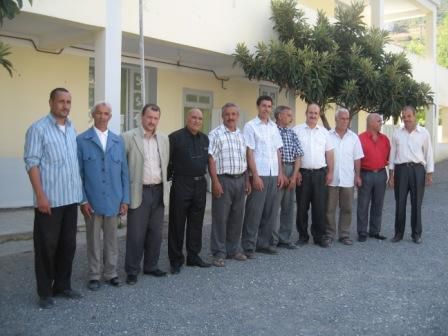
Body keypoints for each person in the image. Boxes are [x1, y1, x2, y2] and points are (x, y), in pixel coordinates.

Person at [24, 87, 83, 309]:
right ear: (51, 102)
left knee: (68, 245)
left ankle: (63, 285)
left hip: (70, 199)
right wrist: (40, 196)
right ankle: (45, 292)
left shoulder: (71, 128)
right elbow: (32, 163)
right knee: (46, 247)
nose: (65, 106)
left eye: (68, 101)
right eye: (61, 101)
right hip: (49, 201)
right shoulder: (38, 129)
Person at [77, 102, 129, 290]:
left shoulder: (117, 141)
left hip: (114, 200)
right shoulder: (82, 140)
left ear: (110, 116)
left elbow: (124, 172)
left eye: (106, 113)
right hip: (92, 201)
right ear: (93, 115)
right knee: (93, 240)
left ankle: (111, 273)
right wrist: (83, 200)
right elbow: (79, 174)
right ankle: (94, 274)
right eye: (98, 113)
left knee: (112, 239)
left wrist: (125, 199)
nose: (102, 116)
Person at [122, 104, 170, 285]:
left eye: (156, 118)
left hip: (158, 190)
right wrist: (124, 197)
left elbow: (166, 165)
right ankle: (132, 270)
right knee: (136, 233)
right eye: (149, 117)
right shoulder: (128, 137)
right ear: (141, 117)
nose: (152, 121)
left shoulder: (164, 139)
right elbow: (122, 170)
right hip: (138, 191)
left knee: (155, 232)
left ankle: (151, 266)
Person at [168, 108, 211, 274]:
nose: (197, 121)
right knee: (177, 223)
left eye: (200, 118)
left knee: (196, 223)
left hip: (200, 184)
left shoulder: (205, 139)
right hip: (181, 184)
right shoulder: (175, 137)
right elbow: (168, 161)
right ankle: (176, 260)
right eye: (194, 117)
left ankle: (193, 256)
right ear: (187, 118)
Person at [242, 95, 285, 258]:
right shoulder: (250, 126)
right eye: (263, 106)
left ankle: (264, 244)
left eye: (269, 106)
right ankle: (248, 246)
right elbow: (249, 152)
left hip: (273, 174)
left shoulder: (274, 127)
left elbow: (278, 151)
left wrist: (280, 173)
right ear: (258, 107)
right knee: (254, 212)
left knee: (270, 211)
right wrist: (255, 176)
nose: (266, 109)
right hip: (259, 175)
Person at [208, 103, 250, 267]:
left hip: (240, 179)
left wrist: (247, 180)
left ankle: (233, 250)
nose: (231, 117)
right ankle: (218, 252)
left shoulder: (241, 135)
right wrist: (215, 182)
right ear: (222, 116)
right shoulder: (215, 134)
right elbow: (211, 159)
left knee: (237, 217)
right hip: (223, 179)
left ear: (237, 116)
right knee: (220, 217)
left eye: (233, 114)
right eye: (227, 114)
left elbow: (244, 159)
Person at [388, 105, 434, 244]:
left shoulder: (424, 133)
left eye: (409, 116)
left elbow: (429, 153)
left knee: (416, 203)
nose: (406, 119)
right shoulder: (397, 133)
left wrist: (429, 173)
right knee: (400, 203)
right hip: (401, 170)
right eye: (404, 116)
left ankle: (416, 234)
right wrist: (391, 174)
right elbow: (392, 155)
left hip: (418, 170)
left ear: (415, 116)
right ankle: (398, 233)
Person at [293, 103, 334, 248]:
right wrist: (296, 172)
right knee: (302, 207)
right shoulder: (296, 130)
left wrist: (330, 172)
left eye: (316, 113)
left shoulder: (324, 132)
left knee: (319, 207)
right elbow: (293, 154)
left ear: (319, 115)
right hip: (302, 174)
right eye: (311, 112)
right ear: (306, 113)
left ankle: (319, 237)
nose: (313, 115)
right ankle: (303, 236)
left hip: (319, 174)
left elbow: (329, 153)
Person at [326, 108, 364, 246]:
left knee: (346, 208)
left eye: (347, 119)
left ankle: (344, 234)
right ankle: (329, 234)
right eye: (342, 118)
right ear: (336, 119)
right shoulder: (327, 135)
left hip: (348, 179)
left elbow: (357, 158)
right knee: (329, 209)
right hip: (332, 179)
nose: (345, 121)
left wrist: (357, 175)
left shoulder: (354, 137)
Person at [271, 105, 303, 249]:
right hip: (278, 169)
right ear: (279, 116)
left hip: (292, 168)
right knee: (273, 206)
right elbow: (273, 154)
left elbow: (298, 154)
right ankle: (271, 239)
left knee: (288, 207)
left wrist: (295, 175)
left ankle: (284, 239)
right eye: (288, 115)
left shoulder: (292, 133)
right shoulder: (272, 131)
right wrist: (281, 173)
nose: (291, 117)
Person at [357, 113, 390, 242]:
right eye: (379, 121)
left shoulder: (385, 139)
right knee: (363, 204)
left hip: (381, 174)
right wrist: (357, 175)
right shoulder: (360, 138)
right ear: (370, 122)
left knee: (378, 204)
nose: (381, 123)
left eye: (381, 121)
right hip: (365, 174)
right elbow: (357, 159)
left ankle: (375, 231)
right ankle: (362, 232)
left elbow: (389, 157)